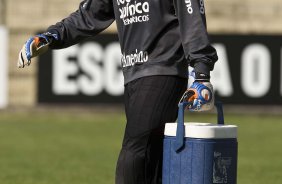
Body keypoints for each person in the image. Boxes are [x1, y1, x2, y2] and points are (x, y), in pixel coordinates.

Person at [18, 0, 218, 183]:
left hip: (164, 70)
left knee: (133, 157)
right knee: (151, 166)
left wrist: (201, 73)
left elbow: (192, 17)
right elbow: (87, 16)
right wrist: (52, 36)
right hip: (133, 77)